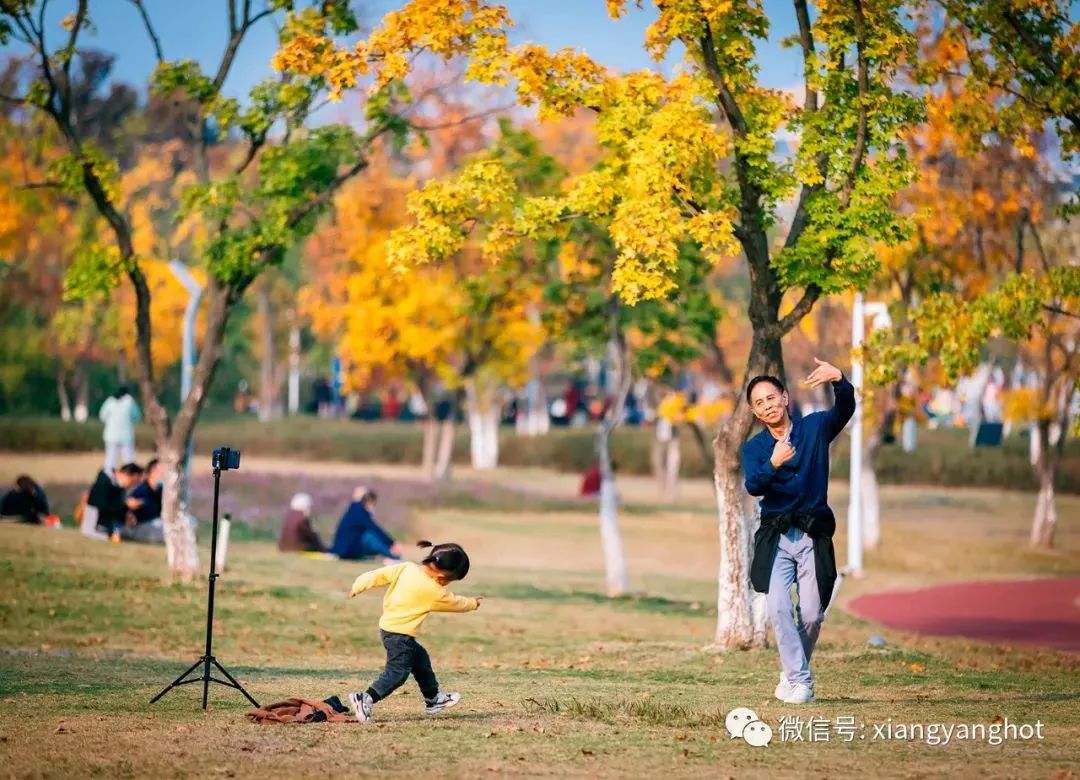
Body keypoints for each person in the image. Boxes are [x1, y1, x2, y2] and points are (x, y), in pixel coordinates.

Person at [743, 357, 854, 705]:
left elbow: (845, 410)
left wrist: (840, 380)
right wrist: (773, 462)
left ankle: (791, 670)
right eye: (759, 403)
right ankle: (800, 680)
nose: (767, 406)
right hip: (776, 538)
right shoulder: (755, 449)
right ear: (755, 412)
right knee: (777, 606)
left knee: (811, 613)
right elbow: (753, 486)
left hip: (810, 535)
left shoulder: (814, 428)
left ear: (785, 398)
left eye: (771, 398)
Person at [344, 540, 481, 723]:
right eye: (449, 581)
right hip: (401, 636)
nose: (446, 585)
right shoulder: (433, 591)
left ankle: (433, 699)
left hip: (388, 629)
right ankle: (366, 698)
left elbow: (377, 575)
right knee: (397, 673)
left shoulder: (406, 568)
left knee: (420, 659)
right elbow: (456, 603)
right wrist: (473, 603)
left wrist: (358, 585)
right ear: (442, 575)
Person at [330, 488, 403, 562]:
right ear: (370, 502)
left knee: (369, 537)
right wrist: (392, 543)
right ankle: (392, 556)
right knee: (370, 537)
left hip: (342, 549)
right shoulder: (360, 512)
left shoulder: (354, 509)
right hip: (346, 550)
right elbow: (375, 529)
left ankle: (391, 555)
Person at [87, 463, 144, 539]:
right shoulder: (103, 481)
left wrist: (127, 514)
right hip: (94, 529)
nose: (132, 486)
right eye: (134, 482)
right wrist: (125, 505)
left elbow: (114, 509)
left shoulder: (117, 486)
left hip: (104, 529)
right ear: (127, 475)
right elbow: (102, 506)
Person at [121, 458, 165, 544]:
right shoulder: (142, 489)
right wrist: (130, 514)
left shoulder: (160, 491)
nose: (163, 474)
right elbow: (128, 509)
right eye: (160, 471)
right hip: (140, 527)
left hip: (153, 524)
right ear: (151, 472)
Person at [99, 385, 141, 471]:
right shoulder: (130, 401)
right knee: (129, 460)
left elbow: (102, 416)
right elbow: (137, 416)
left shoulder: (110, 401)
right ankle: (129, 479)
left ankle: (109, 479)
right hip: (126, 436)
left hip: (111, 436)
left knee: (110, 461)